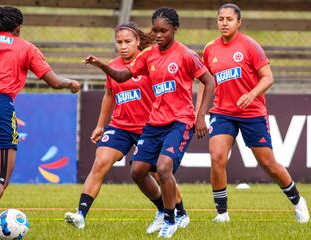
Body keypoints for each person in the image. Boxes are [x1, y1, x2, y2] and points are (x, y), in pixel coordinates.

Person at [84, 7, 215, 238]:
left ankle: (171, 220)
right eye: (154, 30)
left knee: (164, 168)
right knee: (138, 171)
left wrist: (201, 115)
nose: (158, 34)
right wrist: (103, 66)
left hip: (180, 121)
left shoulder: (185, 55)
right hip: (155, 123)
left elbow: (209, 81)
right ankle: (165, 214)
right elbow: (123, 76)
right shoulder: (149, 55)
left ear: (174, 29)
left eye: (163, 30)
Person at [64, 22, 189, 232]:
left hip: (149, 127)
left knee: (160, 173)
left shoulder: (150, 61)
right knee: (100, 162)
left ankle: (180, 212)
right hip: (120, 126)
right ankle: (80, 215)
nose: (123, 46)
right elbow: (110, 94)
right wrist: (100, 125)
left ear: (138, 41)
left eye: (127, 42)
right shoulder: (114, 65)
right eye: (119, 42)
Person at [197, 3, 310, 223]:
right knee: (217, 157)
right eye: (221, 19)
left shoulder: (250, 46)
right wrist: (198, 113)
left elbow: (268, 76)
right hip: (222, 112)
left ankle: (298, 201)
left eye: (229, 19)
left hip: (252, 112)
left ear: (239, 22)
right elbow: (205, 81)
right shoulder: (210, 48)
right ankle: (222, 214)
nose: (224, 23)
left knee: (268, 163)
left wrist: (251, 94)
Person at [0, 6, 80, 200]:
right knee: (1, 179)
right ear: (18, 27)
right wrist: (71, 82)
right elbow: (54, 81)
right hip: (1, 106)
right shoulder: (25, 47)